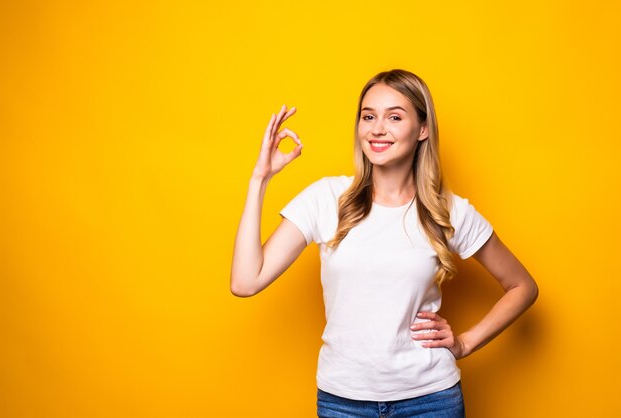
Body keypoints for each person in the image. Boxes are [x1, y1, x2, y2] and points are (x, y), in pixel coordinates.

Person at [230, 69, 538, 418]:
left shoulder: (447, 211)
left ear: (422, 129)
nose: (377, 128)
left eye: (394, 116)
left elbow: (522, 286)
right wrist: (260, 179)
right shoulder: (326, 199)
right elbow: (245, 281)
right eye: (368, 116)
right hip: (342, 401)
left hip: (430, 401)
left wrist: (465, 343)